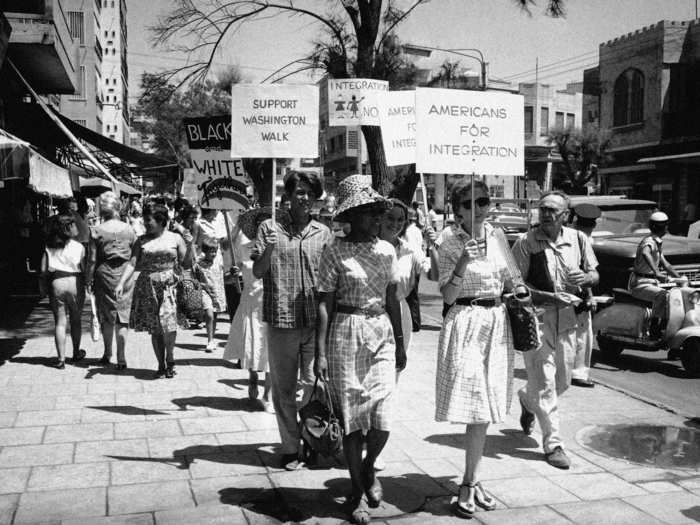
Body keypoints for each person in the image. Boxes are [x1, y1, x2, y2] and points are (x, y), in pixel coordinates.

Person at [314, 174, 404, 525]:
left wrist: (398, 342)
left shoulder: (386, 250)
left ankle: (367, 469)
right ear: (352, 216)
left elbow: (393, 300)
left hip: (380, 331)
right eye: (368, 212)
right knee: (351, 418)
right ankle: (355, 491)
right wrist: (320, 352)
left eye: (376, 212)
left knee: (382, 417)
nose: (376, 219)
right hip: (345, 334)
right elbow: (325, 303)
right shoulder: (334, 251)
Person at [435, 180, 514, 518]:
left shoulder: (497, 236)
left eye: (484, 200)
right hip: (465, 322)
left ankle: (472, 478)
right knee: (475, 405)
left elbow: (513, 278)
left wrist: (520, 293)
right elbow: (448, 297)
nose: (481, 207)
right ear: (459, 210)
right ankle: (470, 482)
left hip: (496, 324)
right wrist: (463, 263)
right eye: (472, 203)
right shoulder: (449, 242)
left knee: (486, 406)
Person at [512, 191, 599, 469]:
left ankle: (527, 399)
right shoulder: (526, 242)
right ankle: (554, 444)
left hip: (569, 320)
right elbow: (515, 285)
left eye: (553, 210)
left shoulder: (579, 239)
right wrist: (547, 297)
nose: (546, 214)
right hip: (537, 320)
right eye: (543, 208)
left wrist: (586, 278)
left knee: (563, 380)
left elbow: (595, 273)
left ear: (565, 215)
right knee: (547, 383)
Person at [252, 171, 333, 470]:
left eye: (310, 192)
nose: (305, 197)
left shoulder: (323, 233)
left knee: (314, 386)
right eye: (299, 191)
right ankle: (290, 448)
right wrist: (270, 247)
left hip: (314, 320)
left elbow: (329, 278)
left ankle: (312, 441)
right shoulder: (268, 228)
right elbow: (258, 272)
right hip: (281, 318)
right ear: (287, 195)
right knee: (284, 389)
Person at [116, 203, 191, 379]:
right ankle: (160, 364)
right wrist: (121, 283)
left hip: (170, 287)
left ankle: (170, 357)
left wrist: (191, 244)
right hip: (147, 287)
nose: (145, 223)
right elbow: (133, 264)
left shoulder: (175, 238)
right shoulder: (140, 241)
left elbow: (186, 263)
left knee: (170, 324)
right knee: (156, 328)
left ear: (160, 220)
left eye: (148, 220)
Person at [224, 206, 272, 410]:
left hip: (271, 304)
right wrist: (235, 271)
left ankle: (268, 394)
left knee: (271, 351)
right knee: (251, 346)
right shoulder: (244, 248)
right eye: (261, 224)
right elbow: (235, 271)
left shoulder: (278, 247)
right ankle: (253, 378)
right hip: (250, 303)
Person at [85, 192, 137, 369]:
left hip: (104, 274)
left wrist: (87, 279)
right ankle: (121, 359)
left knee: (107, 317)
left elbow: (92, 259)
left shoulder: (96, 231)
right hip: (125, 275)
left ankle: (107, 354)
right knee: (123, 317)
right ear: (118, 207)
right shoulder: (129, 229)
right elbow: (134, 256)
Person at [378, 199, 430, 355]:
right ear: (380, 217)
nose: (395, 223)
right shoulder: (367, 247)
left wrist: (433, 245)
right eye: (390, 218)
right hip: (372, 312)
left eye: (400, 219)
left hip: (400, 313)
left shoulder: (409, 250)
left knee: (395, 368)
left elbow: (434, 275)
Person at [39, 214, 87, 368]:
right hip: (75, 282)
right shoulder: (79, 247)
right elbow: (84, 268)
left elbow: (43, 269)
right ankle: (75, 353)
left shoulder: (49, 246)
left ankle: (61, 359)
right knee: (76, 320)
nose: (76, 227)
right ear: (66, 228)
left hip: (57, 283)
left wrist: (42, 286)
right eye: (73, 225)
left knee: (60, 322)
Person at [629, 211, 681, 339]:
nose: (667, 228)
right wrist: (656, 272)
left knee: (673, 297)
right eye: (665, 226)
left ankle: (665, 328)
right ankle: (654, 328)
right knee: (663, 295)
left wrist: (681, 279)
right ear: (660, 227)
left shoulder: (657, 243)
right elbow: (646, 253)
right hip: (640, 283)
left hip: (651, 283)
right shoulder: (649, 241)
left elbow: (667, 265)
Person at [570, 203, 601, 388]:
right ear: (594, 224)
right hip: (579, 292)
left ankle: (569, 370)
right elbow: (583, 272)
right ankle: (579, 373)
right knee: (583, 333)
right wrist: (590, 296)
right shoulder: (584, 240)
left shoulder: (571, 235)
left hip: (567, 292)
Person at [193, 238, 226, 352]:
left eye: (215, 251)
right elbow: (193, 277)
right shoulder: (198, 263)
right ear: (204, 251)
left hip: (216, 292)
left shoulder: (218, 263)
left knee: (214, 315)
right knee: (209, 314)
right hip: (205, 291)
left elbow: (224, 275)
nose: (213, 254)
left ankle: (211, 339)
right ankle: (210, 340)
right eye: (210, 251)